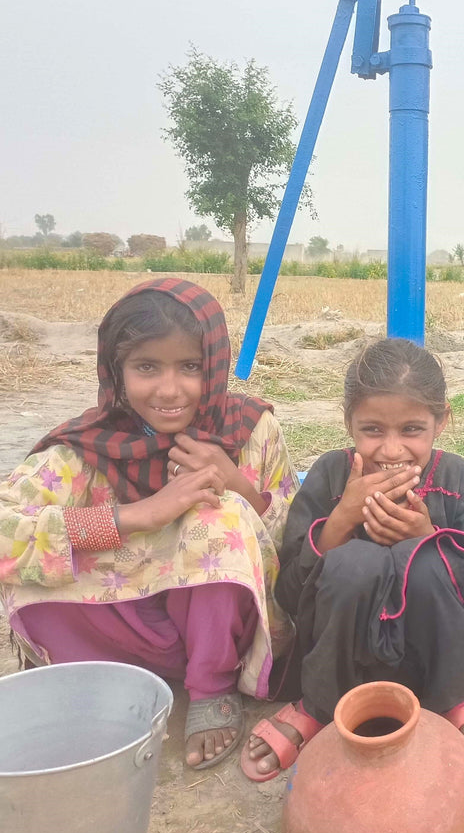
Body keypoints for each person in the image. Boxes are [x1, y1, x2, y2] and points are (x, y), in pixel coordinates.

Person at [0, 278, 298, 768]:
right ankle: (104, 680)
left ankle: (210, 686)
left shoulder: (250, 430)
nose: (169, 389)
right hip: (128, 628)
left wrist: (239, 488)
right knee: (30, 569)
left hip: (223, 628)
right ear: (116, 373)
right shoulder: (86, 448)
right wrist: (139, 516)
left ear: (215, 366)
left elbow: (299, 546)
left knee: (215, 511)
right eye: (146, 367)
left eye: (190, 367)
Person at [243, 338, 464, 781]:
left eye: (411, 430)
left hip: (430, 659)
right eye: (372, 430)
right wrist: (340, 522)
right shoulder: (330, 475)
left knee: (422, 561)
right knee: (354, 563)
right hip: (339, 662)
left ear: (441, 421)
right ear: (349, 422)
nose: (390, 450)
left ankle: (454, 700)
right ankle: (317, 707)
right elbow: (288, 592)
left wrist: (428, 537)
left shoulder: (455, 478)